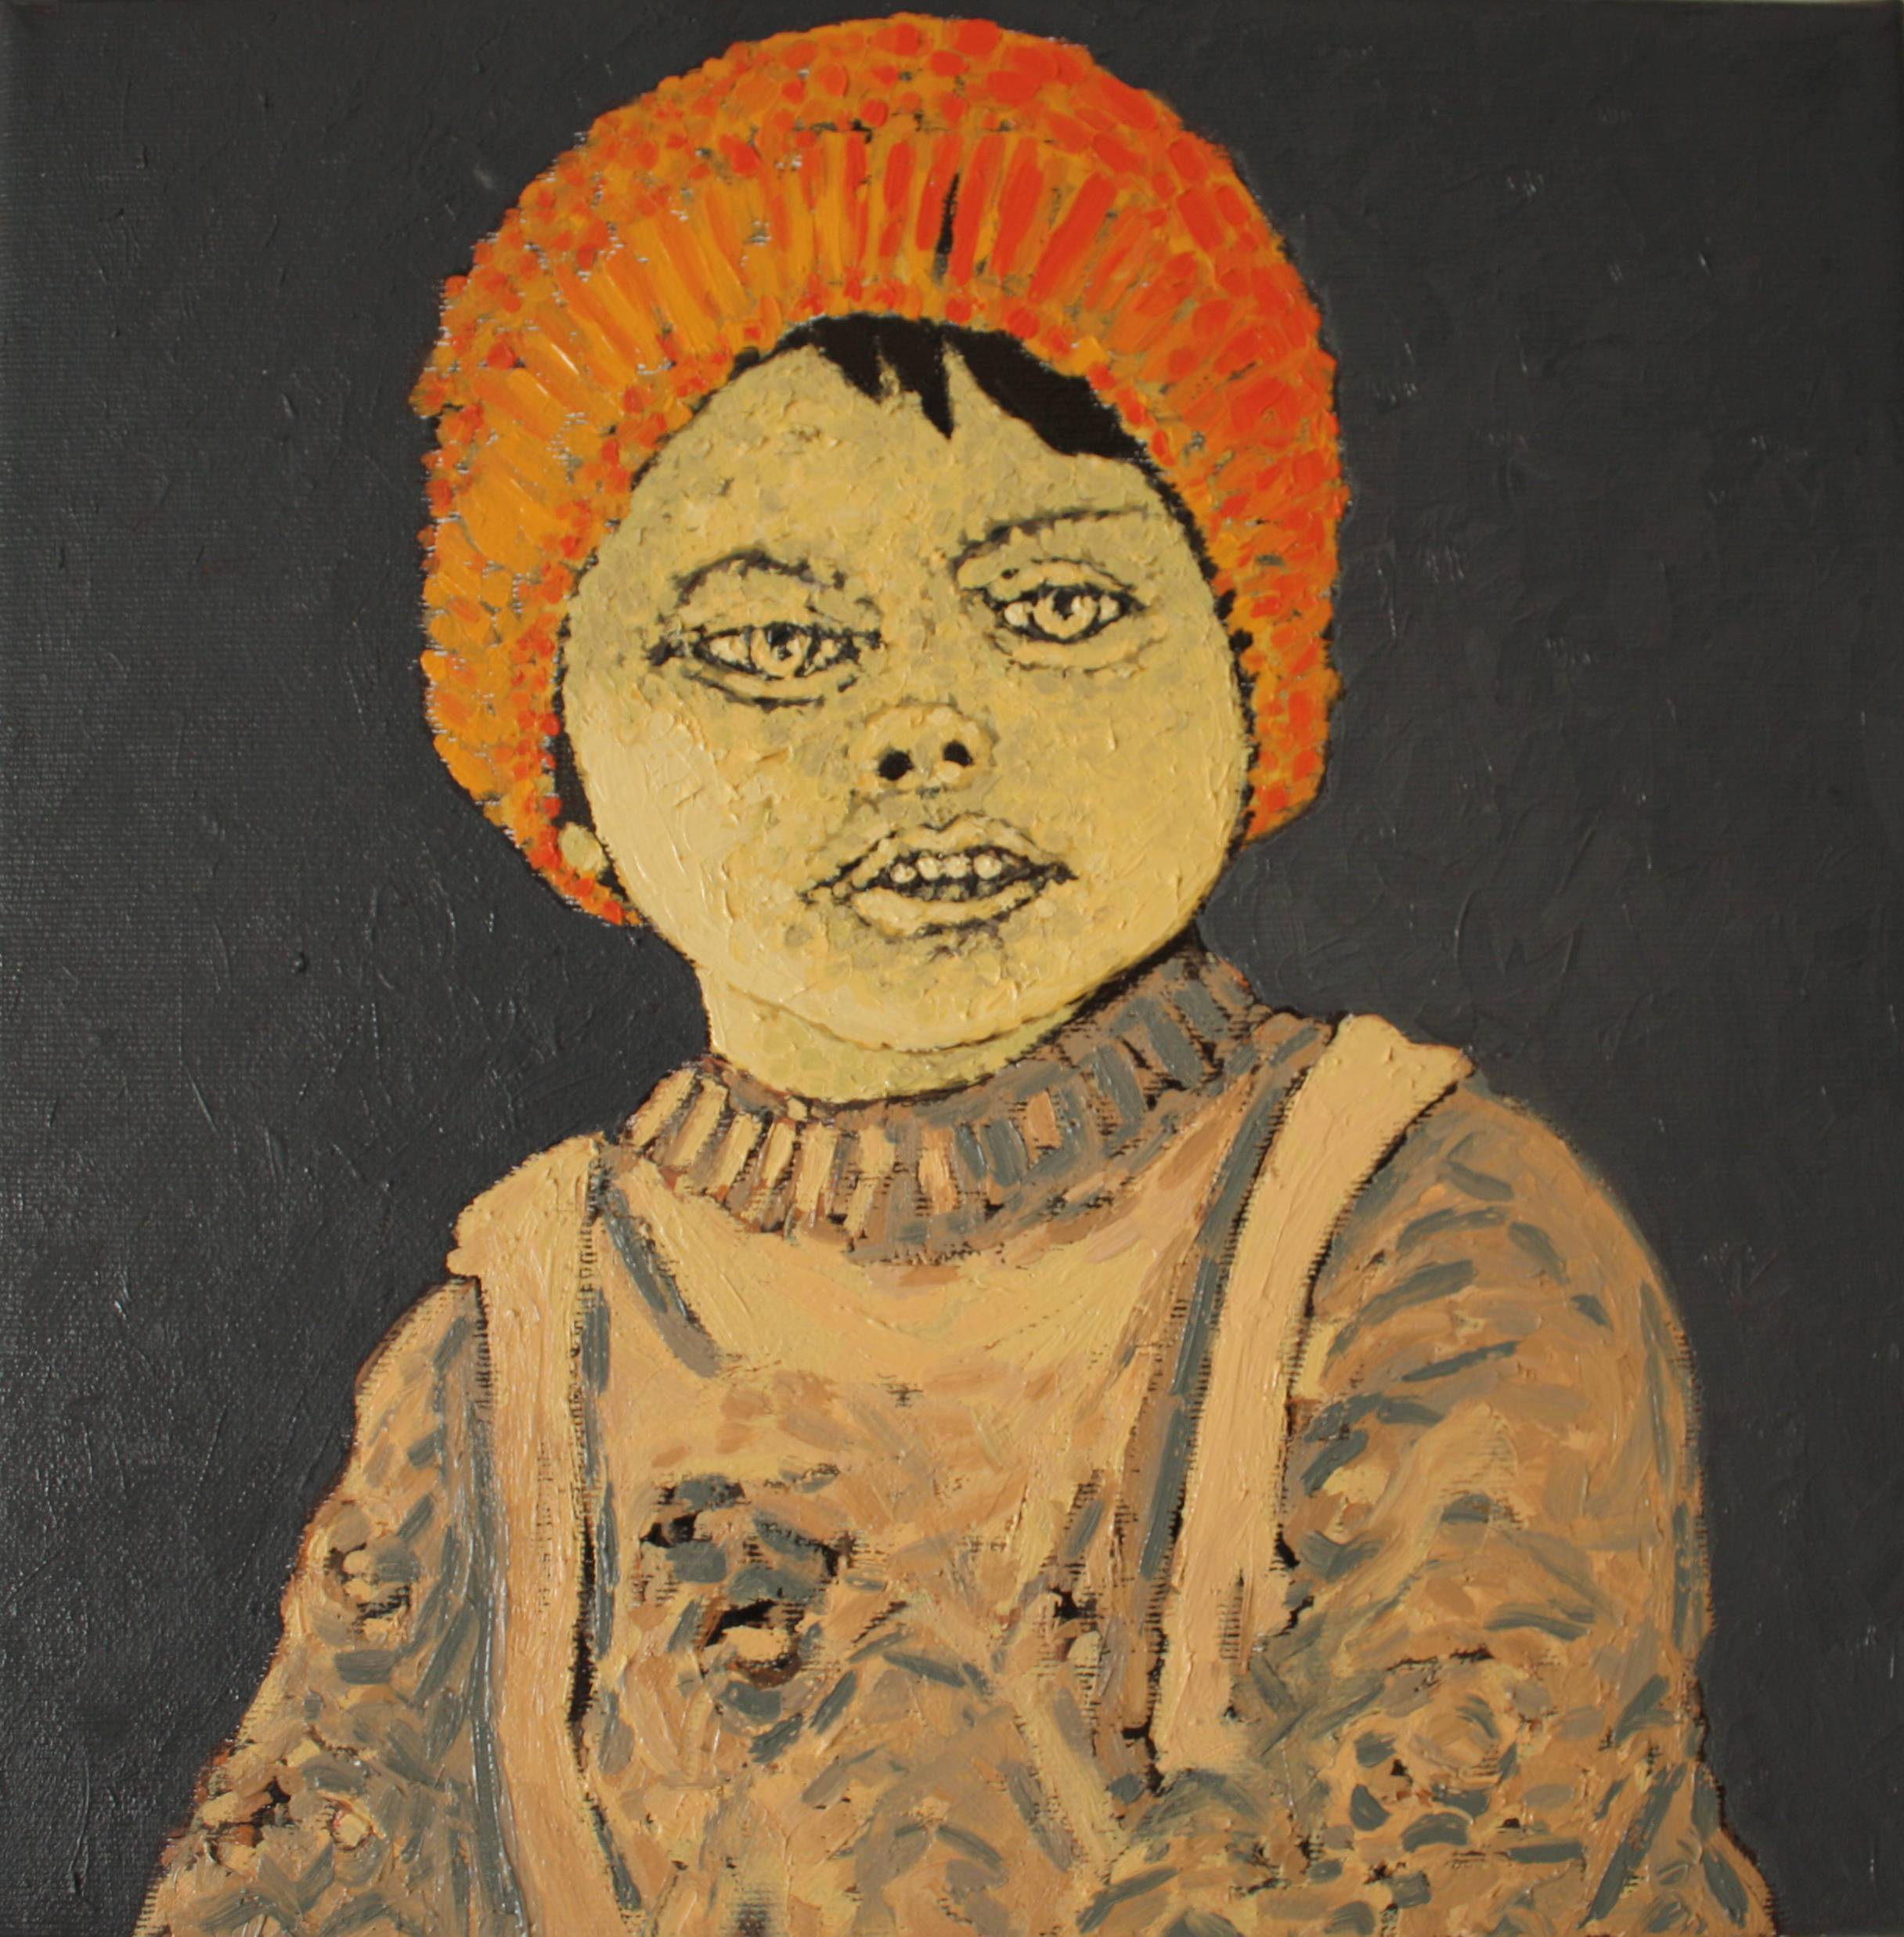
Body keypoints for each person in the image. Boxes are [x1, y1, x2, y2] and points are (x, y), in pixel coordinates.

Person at [138, 16, 1776, 1936]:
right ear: (561, 783)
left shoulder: (1428, 1229)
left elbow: (1459, 1841)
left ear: (1256, 679)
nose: (927, 722)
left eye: (1055, 605)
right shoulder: (505, 1363)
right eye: (771, 641)